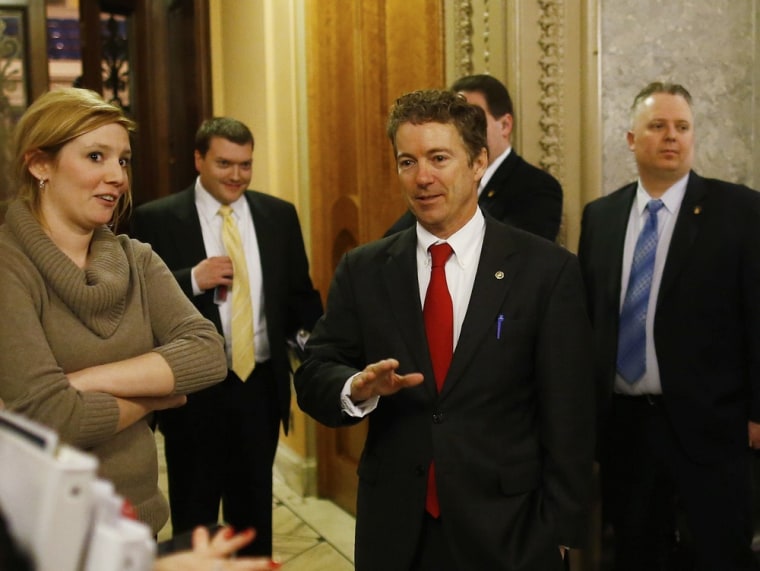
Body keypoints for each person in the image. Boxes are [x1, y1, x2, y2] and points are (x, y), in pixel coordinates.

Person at [295, 89, 594, 570]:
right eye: (407, 161)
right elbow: (314, 373)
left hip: (509, 531)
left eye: (439, 158)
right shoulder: (366, 269)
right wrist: (356, 386)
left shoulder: (545, 270)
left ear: (478, 162)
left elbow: (570, 412)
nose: (422, 178)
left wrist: (560, 531)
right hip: (396, 533)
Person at [0, 88, 228, 537]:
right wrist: (160, 392)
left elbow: (208, 353)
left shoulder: (137, 259)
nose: (118, 177)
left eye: (122, 160)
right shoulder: (9, 266)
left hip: (137, 523)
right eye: (96, 156)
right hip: (46, 537)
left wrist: (82, 382)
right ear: (39, 164)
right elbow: (52, 419)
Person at [577, 81, 760, 570]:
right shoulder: (602, 216)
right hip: (626, 428)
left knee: (718, 554)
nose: (671, 137)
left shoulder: (739, 211)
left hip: (712, 427)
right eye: (658, 126)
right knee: (636, 553)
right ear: (633, 139)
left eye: (682, 127)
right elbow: (590, 321)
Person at [131, 117, 323, 557]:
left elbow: (300, 297)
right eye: (224, 164)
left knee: (254, 512)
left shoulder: (278, 215)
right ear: (199, 160)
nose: (236, 175)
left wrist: (323, 350)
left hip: (259, 386)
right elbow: (137, 303)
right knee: (195, 514)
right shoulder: (156, 219)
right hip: (193, 393)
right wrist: (193, 279)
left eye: (245, 165)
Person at [384, 74, 563, 242]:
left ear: (505, 125)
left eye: (439, 159)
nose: (465, 126)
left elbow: (522, 254)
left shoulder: (538, 187)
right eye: (407, 162)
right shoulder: (427, 187)